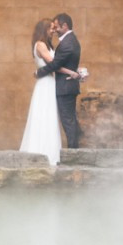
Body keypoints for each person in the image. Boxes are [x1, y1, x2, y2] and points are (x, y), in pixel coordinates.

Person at [34, 12, 83, 150]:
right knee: (69, 120)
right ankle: (74, 148)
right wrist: (74, 72)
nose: (55, 30)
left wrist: (39, 72)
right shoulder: (70, 40)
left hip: (65, 87)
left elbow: (55, 64)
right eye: (52, 28)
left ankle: (73, 152)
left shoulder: (67, 42)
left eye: (56, 27)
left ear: (65, 25)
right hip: (64, 85)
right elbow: (63, 63)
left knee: (68, 121)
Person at [19, 17, 62, 164]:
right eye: (51, 28)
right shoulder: (40, 45)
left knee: (49, 115)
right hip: (45, 84)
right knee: (43, 115)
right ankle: (41, 152)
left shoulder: (47, 45)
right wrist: (71, 72)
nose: (53, 30)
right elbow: (53, 63)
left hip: (50, 82)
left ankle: (50, 152)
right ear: (43, 29)